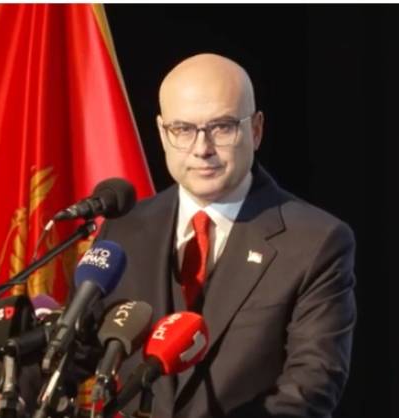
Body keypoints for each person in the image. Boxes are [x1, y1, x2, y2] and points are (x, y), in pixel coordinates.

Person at [94, 53, 357, 418]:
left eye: (222, 127)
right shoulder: (124, 228)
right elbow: (82, 351)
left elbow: (309, 387)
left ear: (256, 130)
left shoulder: (315, 241)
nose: (202, 149)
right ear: (162, 133)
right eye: (183, 129)